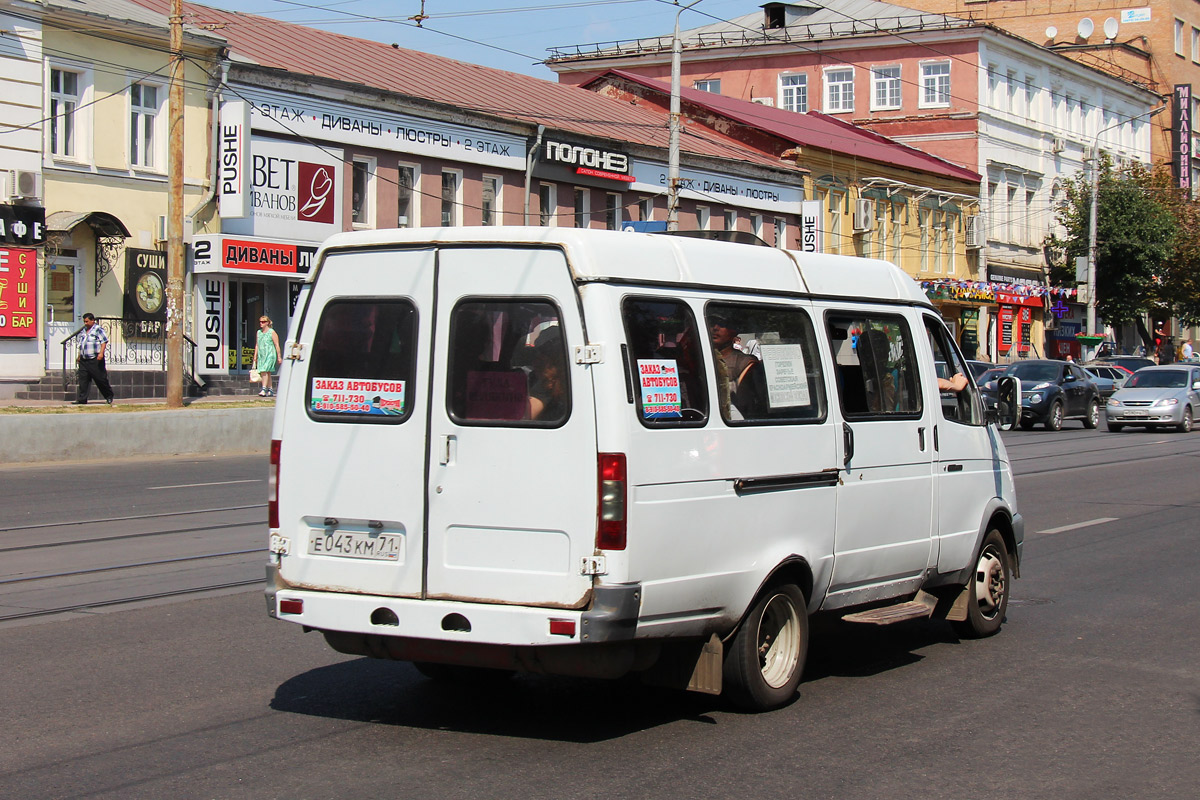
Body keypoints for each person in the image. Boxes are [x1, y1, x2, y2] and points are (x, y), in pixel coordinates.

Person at [710, 314, 763, 418]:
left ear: (733, 331)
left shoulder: (745, 362)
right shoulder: (702, 358)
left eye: (722, 324)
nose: (715, 328)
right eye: (712, 323)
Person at [74, 312, 115, 405]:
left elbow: (103, 342)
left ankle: (108, 396)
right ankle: (82, 399)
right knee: (83, 380)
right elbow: (81, 345)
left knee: (100, 379)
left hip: (95, 359)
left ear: (93, 321)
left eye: (87, 321)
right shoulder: (83, 331)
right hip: (84, 360)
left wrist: (101, 353)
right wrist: (79, 355)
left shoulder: (98, 330)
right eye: (84, 321)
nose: (85, 323)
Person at [253, 315, 282, 397]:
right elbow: (257, 345)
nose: (261, 323)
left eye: (263, 322)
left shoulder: (272, 332)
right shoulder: (259, 332)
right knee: (267, 372)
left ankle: (264, 388)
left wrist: (279, 356)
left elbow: (277, 345)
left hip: (270, 354)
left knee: (264, 370)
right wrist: (255, 356)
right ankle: (270, 389)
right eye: (260, 322)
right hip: (262, 354)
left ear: (268, 323)